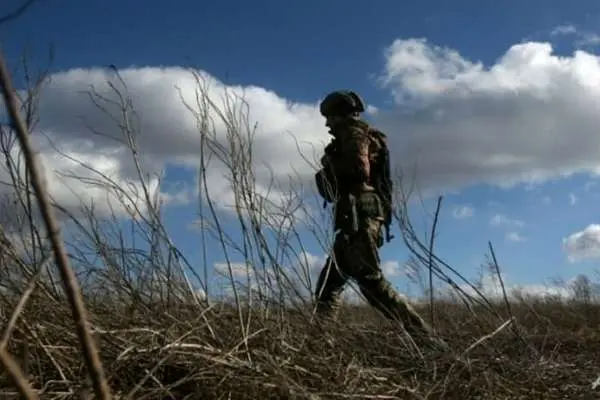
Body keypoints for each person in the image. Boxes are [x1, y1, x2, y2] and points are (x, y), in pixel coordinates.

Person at [313, 90, 446, 349]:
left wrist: (329, 166)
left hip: (359, 218)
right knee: (328, 286)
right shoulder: (360, 135)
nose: (327, 123)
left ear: (340, 114)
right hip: (355, 218)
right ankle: (319, 346)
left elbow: (358, 170)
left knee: (371, 283)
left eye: (329, 117)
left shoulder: (353, 133)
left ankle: (429, 342)